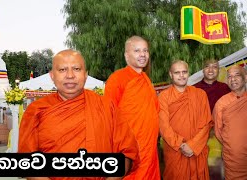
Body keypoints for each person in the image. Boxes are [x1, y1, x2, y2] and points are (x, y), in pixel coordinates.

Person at [18, 49, 139, 180]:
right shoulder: (36, 110)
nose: (70, 75)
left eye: (76, 69)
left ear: (85, 75)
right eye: (62, 70)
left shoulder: (107, 107)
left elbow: (127, 153)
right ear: (52, 76)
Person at [104, 36, 160, 180]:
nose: (143, 54)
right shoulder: (117, 79)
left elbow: (154, 110)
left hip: (149, 148)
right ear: (126, 55)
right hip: (131, 149)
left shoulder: (146, 79)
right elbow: (108, 116)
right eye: (137, 51)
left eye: (145, 50)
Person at [159, 60, 211, 180]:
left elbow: (206, 124)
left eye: (184, 72)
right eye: (177, 73)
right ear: (171, 74)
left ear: (188, 73)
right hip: (175, 151)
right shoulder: (164, 96)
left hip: (197, 149)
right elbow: (163, 126)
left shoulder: (200, 94)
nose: (181, 75)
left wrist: (192, 145)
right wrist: (181, 145)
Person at [193, 59, 230, 179]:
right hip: (200, 135)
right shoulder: (194, 89)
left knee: (220, 170)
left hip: (221, 135)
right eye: (207, 67)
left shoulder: (225, 88)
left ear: (218, 70)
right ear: (202, 69)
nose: (211, 70)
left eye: (214, 67)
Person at [213, 65, 247, 179]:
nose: (233, 79)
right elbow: (218, 131)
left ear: (245, 78)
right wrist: (232, 144)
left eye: (237, 75)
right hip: (233, 157)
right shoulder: (221, 103)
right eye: (229, 77)